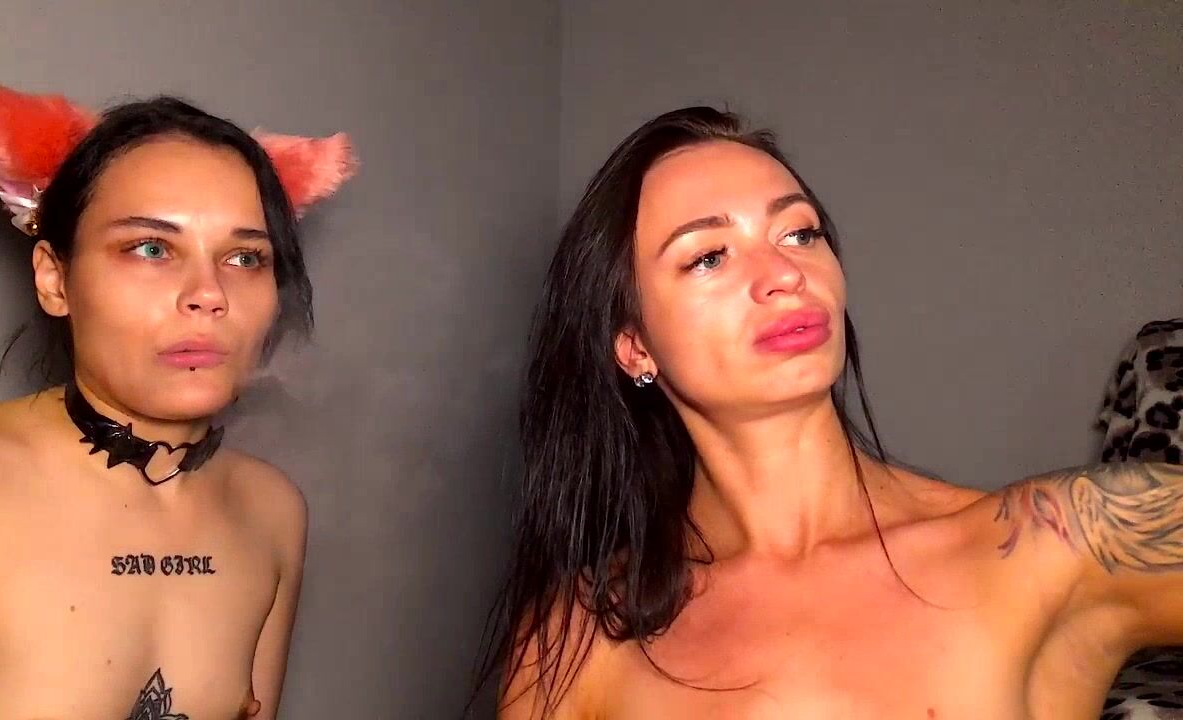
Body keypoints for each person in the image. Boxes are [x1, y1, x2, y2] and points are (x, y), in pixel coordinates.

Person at [480, 106, 1182, 719]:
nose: (786, 274)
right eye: (709, 257)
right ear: (634, 345)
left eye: (799, 233)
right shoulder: (577, 639)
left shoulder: (1059, 544)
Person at [0, 81, 354, 720]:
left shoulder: (270, 511)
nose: (209, 294)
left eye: (245, 257)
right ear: (55, 279)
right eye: (151, 248)